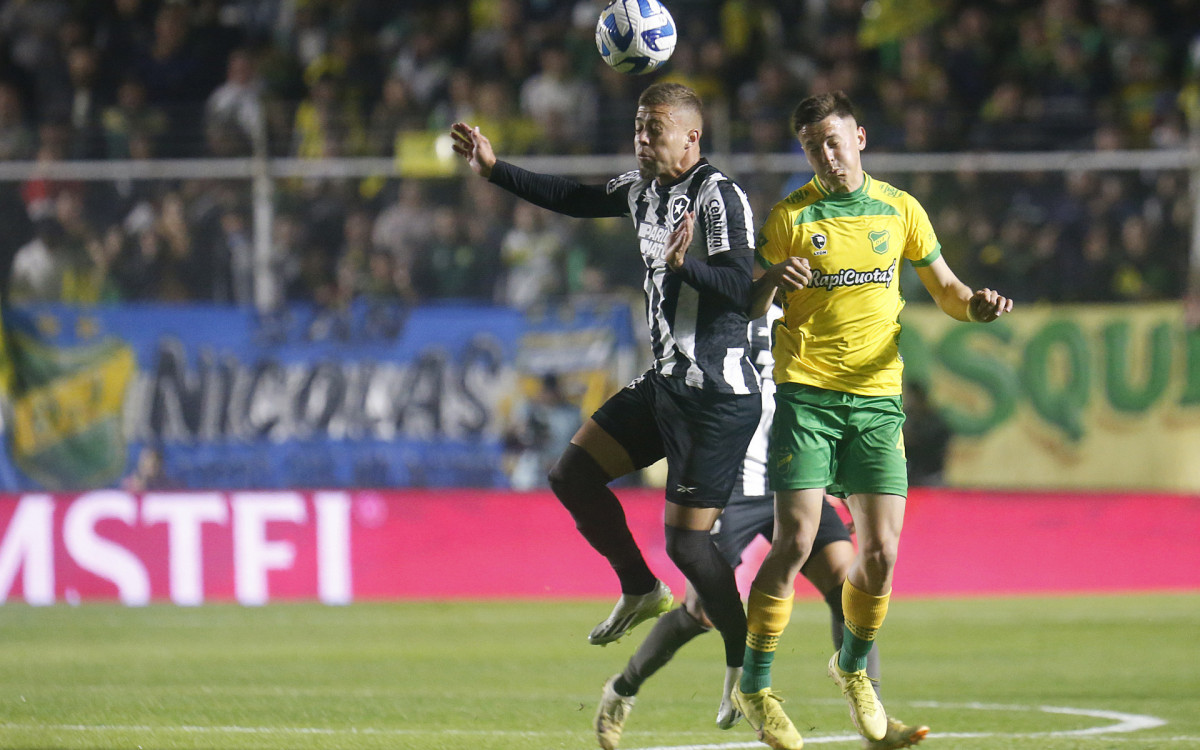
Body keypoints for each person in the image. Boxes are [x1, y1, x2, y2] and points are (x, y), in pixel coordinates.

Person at [450, 82, 762, 707]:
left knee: (689, 545)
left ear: (692, 137)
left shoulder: (718, 196)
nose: (642, 137)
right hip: (665, 384)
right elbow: (574, 198)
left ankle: (747, 670)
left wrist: (684, 270)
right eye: (639, 126)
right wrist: (494, 170)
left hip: (717, 395)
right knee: (571, 474)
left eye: (655, 129)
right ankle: (640, 587)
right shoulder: (643, 191)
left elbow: (740, 284)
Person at [732, 91, 1013, 750]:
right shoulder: (788, 217)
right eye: (811, 146)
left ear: (860, 136)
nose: (825, 155)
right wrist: (772, 279)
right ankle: (755, 685)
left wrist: (978, 307)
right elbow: (743, 304)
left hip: (878, 402)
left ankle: (851, 670)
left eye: (833, 140)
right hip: (805, 396)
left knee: (882, 555)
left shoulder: (900, 209)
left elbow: (947, 289)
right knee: (797, 543)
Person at [593, 308, 929, 750]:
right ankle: (622, 691)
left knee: (846, 586)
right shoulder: (722, 312)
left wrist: (841, 481)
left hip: (793, 478)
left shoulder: (804, 308)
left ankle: (875, 721)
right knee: (704, 610)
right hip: (730, 486)